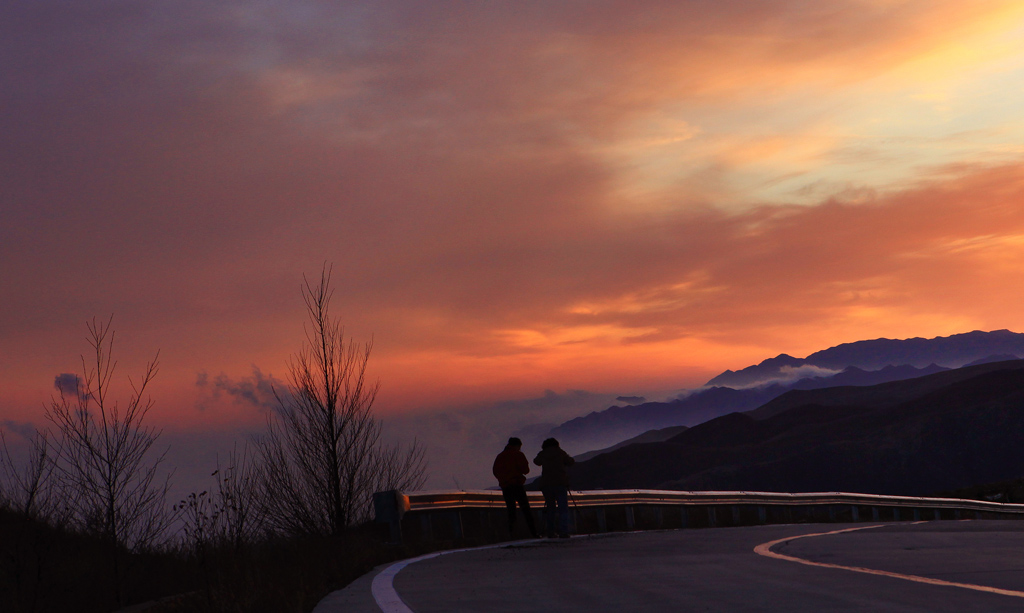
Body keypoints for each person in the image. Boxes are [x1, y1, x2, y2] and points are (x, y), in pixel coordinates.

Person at [492, 437, 539, 538]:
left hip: (506, 486)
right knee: (526, 510)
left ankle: (512, 534)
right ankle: (534, 533)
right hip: (517, 485)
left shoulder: (500, 456)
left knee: (511, 511)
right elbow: (525, 470)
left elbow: (495, 471)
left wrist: (503, 480)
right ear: (517, 446)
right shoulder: (518, 455)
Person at [534, 437, 575, 538]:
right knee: (563, 509)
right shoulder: (560, 452)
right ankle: (564, 531)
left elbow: (536, 461)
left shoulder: (542, 453)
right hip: (560, 483)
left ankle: (550, 532)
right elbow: (570, 462)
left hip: (546, 484)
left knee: (550, 509)